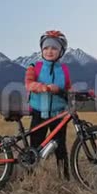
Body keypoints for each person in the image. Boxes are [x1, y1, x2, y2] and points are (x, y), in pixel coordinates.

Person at [25, 30, 72, 180]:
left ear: (61, 51)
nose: (49, 51)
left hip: (58, 114)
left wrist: (85, 93)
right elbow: (29, 84)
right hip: (39, 113)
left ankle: (64, 177)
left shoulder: (64, 70)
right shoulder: (34, 67)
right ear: (41, 50)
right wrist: (43, 87)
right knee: (35, 146)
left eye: (54, 48)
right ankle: (30, 177)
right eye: (46, 48)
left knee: (60, 147)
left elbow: (68, 88)